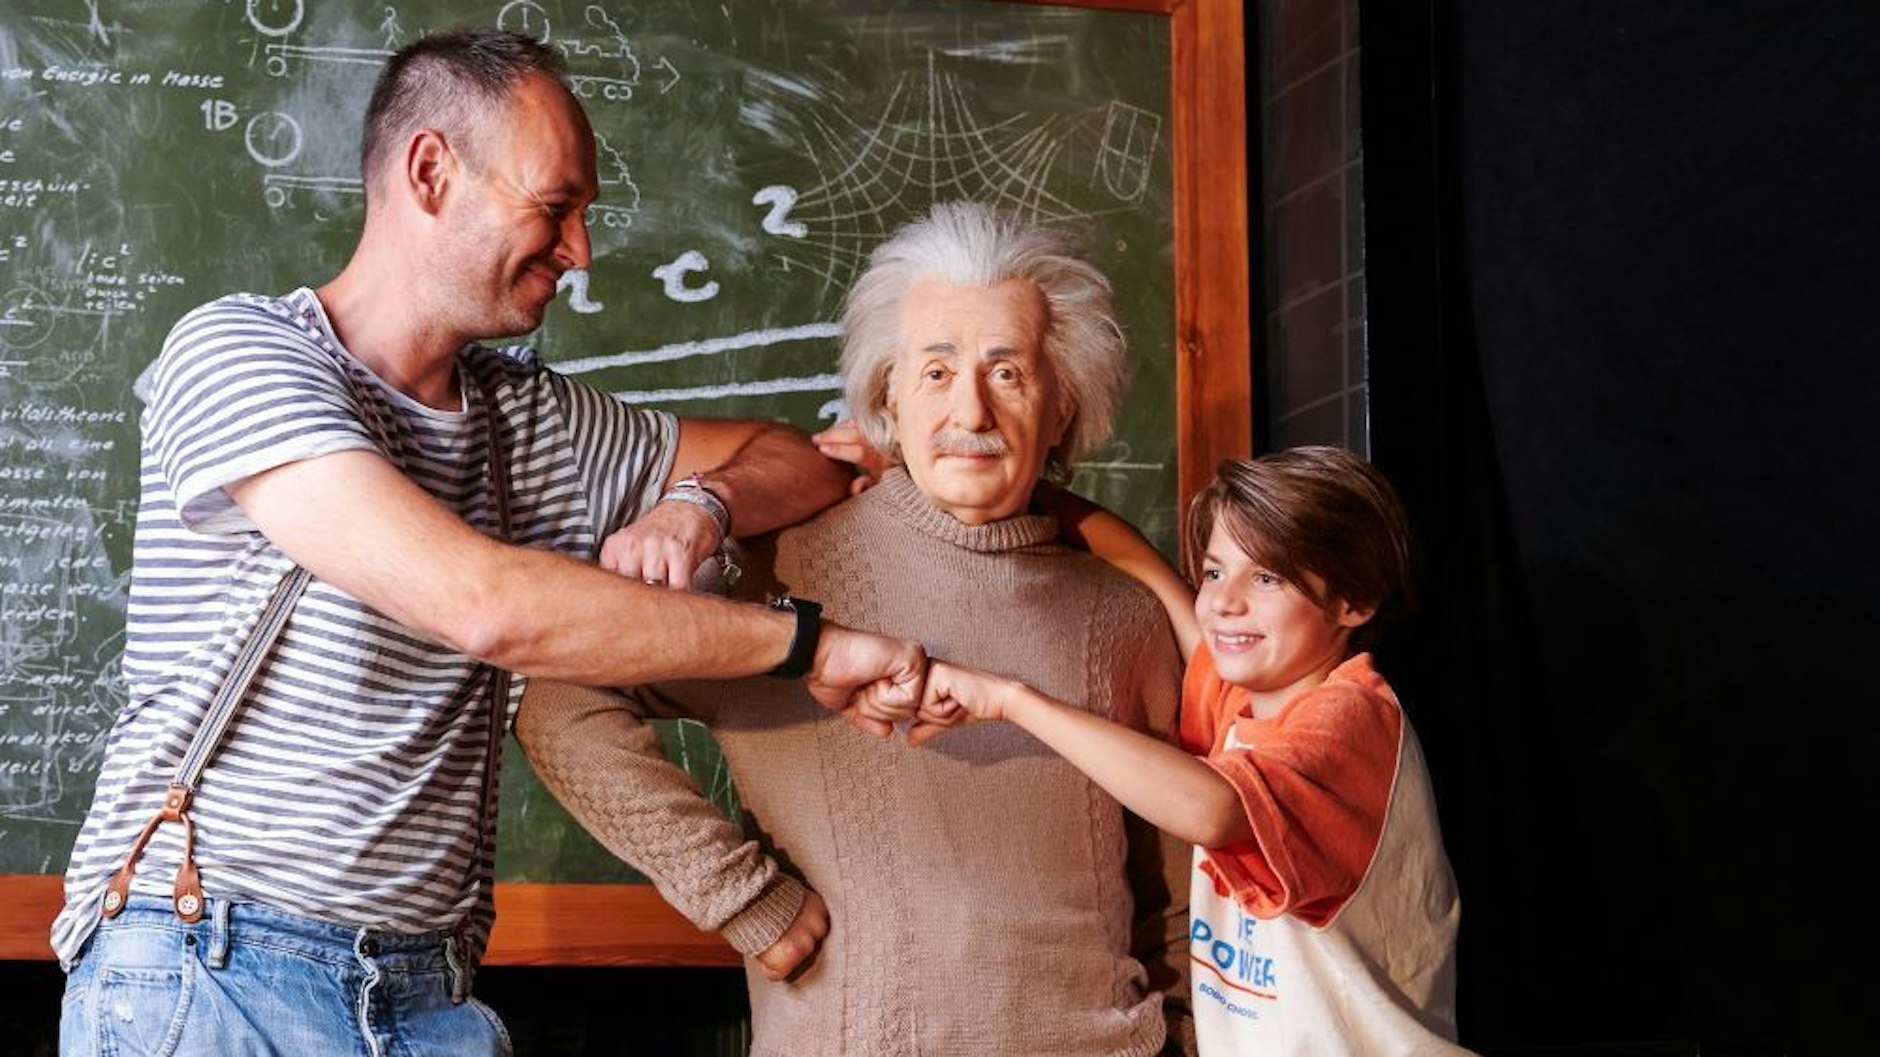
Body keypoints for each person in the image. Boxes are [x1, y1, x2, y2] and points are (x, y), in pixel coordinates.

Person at [52, 28, 926, 1056]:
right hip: (214, 964)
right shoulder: (242, 353)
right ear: (430, 172)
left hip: (431, 991)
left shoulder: (529, 419)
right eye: (554, 207)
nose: (580, 251)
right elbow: (482, 603)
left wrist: (702, 504)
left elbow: (802, 460)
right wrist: (806, 645)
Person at [518, 200, 1196, 1056]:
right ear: (887, 397)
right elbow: (560, 693)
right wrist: (739, 896)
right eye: (937, 372)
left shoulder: (1127, 616)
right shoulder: (780, 574)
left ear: (1061, 408)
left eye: (1008, 373)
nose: (972, 412)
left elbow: (1177, 902)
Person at [914, 446, 1475, 1056]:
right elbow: (1140, 562)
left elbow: (1216, 810)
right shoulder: (1241, 692)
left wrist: (1012, 701)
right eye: (1214, 572)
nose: (1224, 602)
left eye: (1267, 577)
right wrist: (973, 483)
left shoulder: (1353, 717)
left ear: (1353, 602)